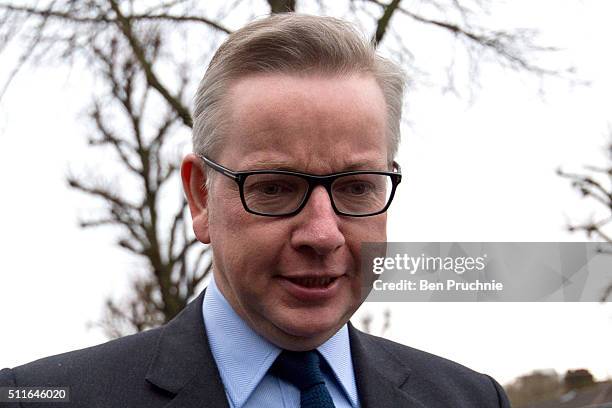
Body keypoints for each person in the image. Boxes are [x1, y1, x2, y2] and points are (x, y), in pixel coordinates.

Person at [0, 13, 510, 408]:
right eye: (274, 188)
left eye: (356, 187)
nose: (322, 233)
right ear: (201, 196)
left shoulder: (471, 399)